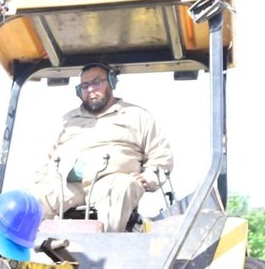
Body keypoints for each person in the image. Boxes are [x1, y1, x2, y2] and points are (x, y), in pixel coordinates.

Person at [33, 62, 173, 232]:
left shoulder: (137, 116)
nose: (90, 89)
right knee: (32, 200)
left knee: (122, 187)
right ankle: (31, 246)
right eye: (85, 86)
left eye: (97, 82)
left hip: (110, 182)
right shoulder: (68, 120)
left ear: (112, 82)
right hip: (69, 186)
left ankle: (105, 244)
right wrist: (41, 183)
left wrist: (149, 178)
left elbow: (161, 155)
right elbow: (47, 159)